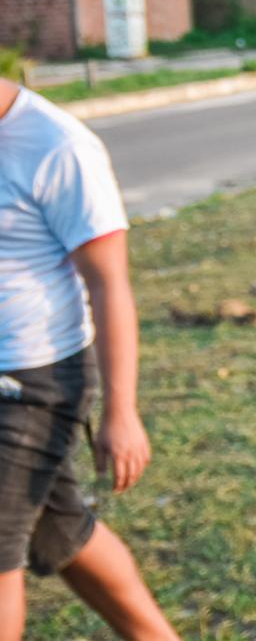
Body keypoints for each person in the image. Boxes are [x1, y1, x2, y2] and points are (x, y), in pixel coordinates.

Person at [0, 78, 178, 641]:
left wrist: (121, 413)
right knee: (61, 529)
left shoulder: (58, 146)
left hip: (29, 381)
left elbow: (109, 285)